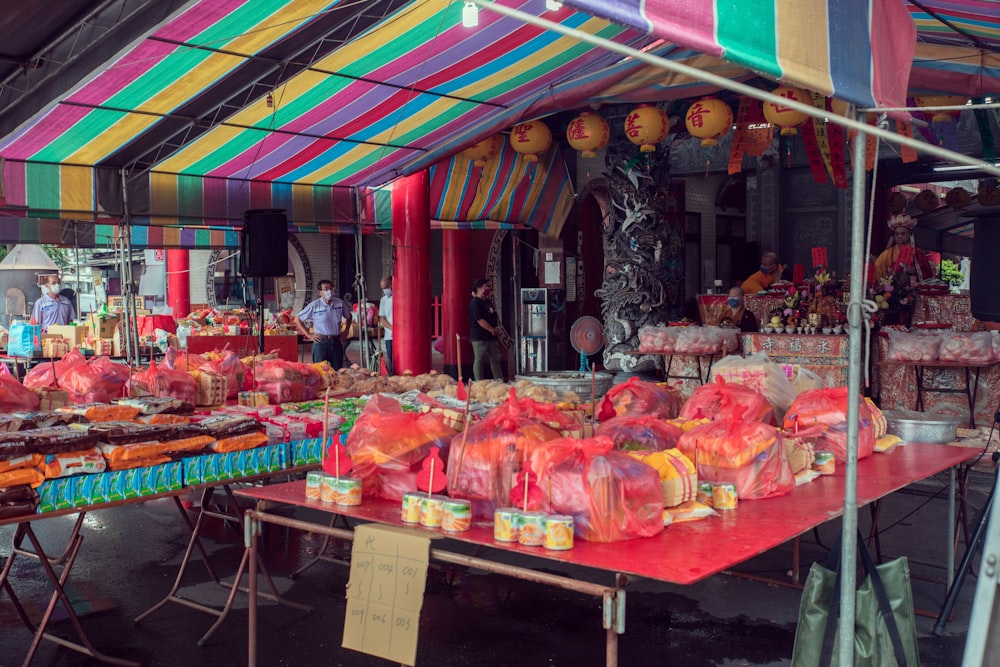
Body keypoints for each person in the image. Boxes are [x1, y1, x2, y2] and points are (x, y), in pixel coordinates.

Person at [295, 280, 350, 369]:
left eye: (330, 288)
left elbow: (349, 317)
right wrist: (308, 334)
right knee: (319, 371)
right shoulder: (314, 305)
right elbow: (298, 319)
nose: (329, 291)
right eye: (325, 289)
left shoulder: (339, 303)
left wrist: (346, 331)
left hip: (336, 341)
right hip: (320, 342)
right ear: (320, 292)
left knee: (338, 371)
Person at [873, 213, 934, 284]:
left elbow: (928, 273)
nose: (899, 236)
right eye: (897, 234)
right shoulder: (887, 253)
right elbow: (877, 267)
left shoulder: (917, 252)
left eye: (903, 233)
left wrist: (915, 270)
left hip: (912, 288)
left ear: (909, 234)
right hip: (892, 290)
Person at [469, 278, 503, 381]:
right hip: (480, 336)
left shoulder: (488, 302)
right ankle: (479, 382)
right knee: (479, 359)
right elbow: (480, 320)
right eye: (485, 287)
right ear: (478, 288)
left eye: (488, 286)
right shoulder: (475, 303)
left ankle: (499, 380)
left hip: (491, 336)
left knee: (495, 359)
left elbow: (493, 316)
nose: (487, 288)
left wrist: (496, 328)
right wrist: (491, 329)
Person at [378, 275, 394, 375]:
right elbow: (382, 318)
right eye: (383, 288)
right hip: (389, 335)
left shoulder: (400, 296)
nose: (385, 290)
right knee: (392, 360)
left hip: (402, 336)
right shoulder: (383, 300)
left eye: (386, 287)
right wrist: (393, 328)